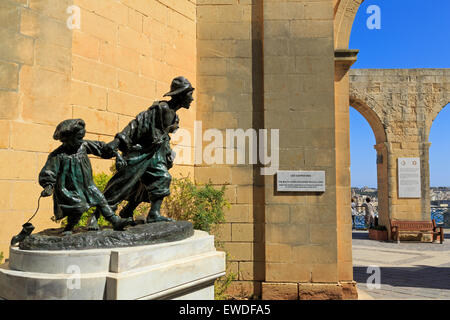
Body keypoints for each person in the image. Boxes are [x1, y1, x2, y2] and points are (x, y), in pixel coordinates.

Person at [89, 76, 194, 229]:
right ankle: (95, 217)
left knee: (161, 178)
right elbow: (137, 123)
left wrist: (167, 152)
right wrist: (118, 141)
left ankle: (151, 214)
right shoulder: (161, 109)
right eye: (190, 94)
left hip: (155, 155)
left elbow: (162, 134)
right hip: (139, 153)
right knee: (120, 186)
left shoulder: (175, 115)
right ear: (181, 94)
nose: (192, 99)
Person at [39, 119, 132, 234]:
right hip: (69, 189)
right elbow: (49, 171)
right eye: (78, 138)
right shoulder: (57, 155)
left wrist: (117, 155)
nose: (81, 140)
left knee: (101, 200)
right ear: (67, 139)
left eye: (82, 137)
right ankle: (69, 227)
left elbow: (102, 148)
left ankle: (115, 221)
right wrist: (48, 186)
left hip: (88, 185)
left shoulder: (84, 145)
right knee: (79, 207)